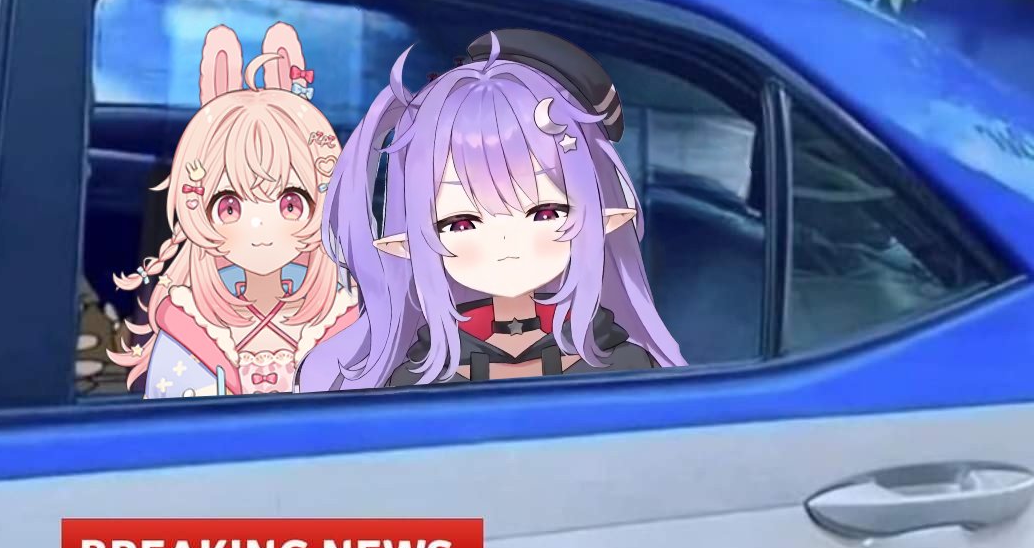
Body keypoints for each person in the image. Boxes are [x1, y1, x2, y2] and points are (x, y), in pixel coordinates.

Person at [297, 29, 684, 391]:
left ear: (603, 219)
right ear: (408, 243)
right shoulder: (415, 382)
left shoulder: (623, 367)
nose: (506, 241)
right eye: (461, 223)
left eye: (544, 213)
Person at [109, 22, 356, 397]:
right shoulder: (188, 322)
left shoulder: (342, 311)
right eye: (230, 207)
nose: (260, 227)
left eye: (290, 204)